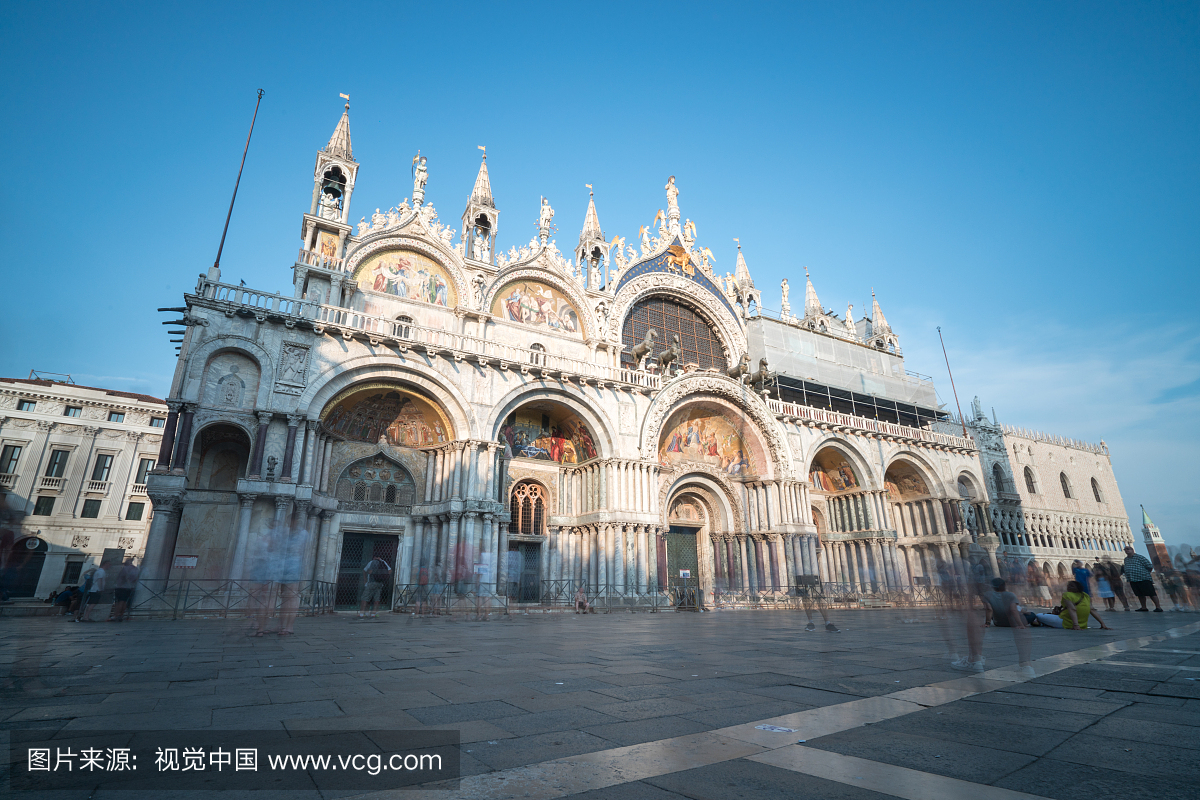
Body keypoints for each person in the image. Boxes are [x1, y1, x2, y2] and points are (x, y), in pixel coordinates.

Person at [981, 578, 1035, 677]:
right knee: (1032, 614)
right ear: (1004, 585)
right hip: (1012, 622)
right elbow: (1013, 610)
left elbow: (989, 609)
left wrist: (987, 623)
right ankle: (1036, 621)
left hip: (998, 622)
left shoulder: (987, 595)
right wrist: (1020, 624)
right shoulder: (1010, 595)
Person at [1123, 545, 1163, 612]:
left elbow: (1149, 566)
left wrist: (1145, 573)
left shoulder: (1139, 557)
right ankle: (1144, 607)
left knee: (1151, 593)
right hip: (1133, 579)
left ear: (1132, 550)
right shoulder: (1126, 559)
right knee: (1139, 594)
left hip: (1143, 578)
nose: (1126, 550)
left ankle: (1158, 607)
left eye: (1128, 549)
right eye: (1125, 549)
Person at [359, 553, 392, 618]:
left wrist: (365, 580)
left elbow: (369, 571)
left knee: (365, 598)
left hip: (371, 582)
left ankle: (362, 613)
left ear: (374, 557)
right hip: (380, 583)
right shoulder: (383, 562)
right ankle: (374, 613)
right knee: (377, 599)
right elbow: (390, 571)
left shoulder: (372, 562)